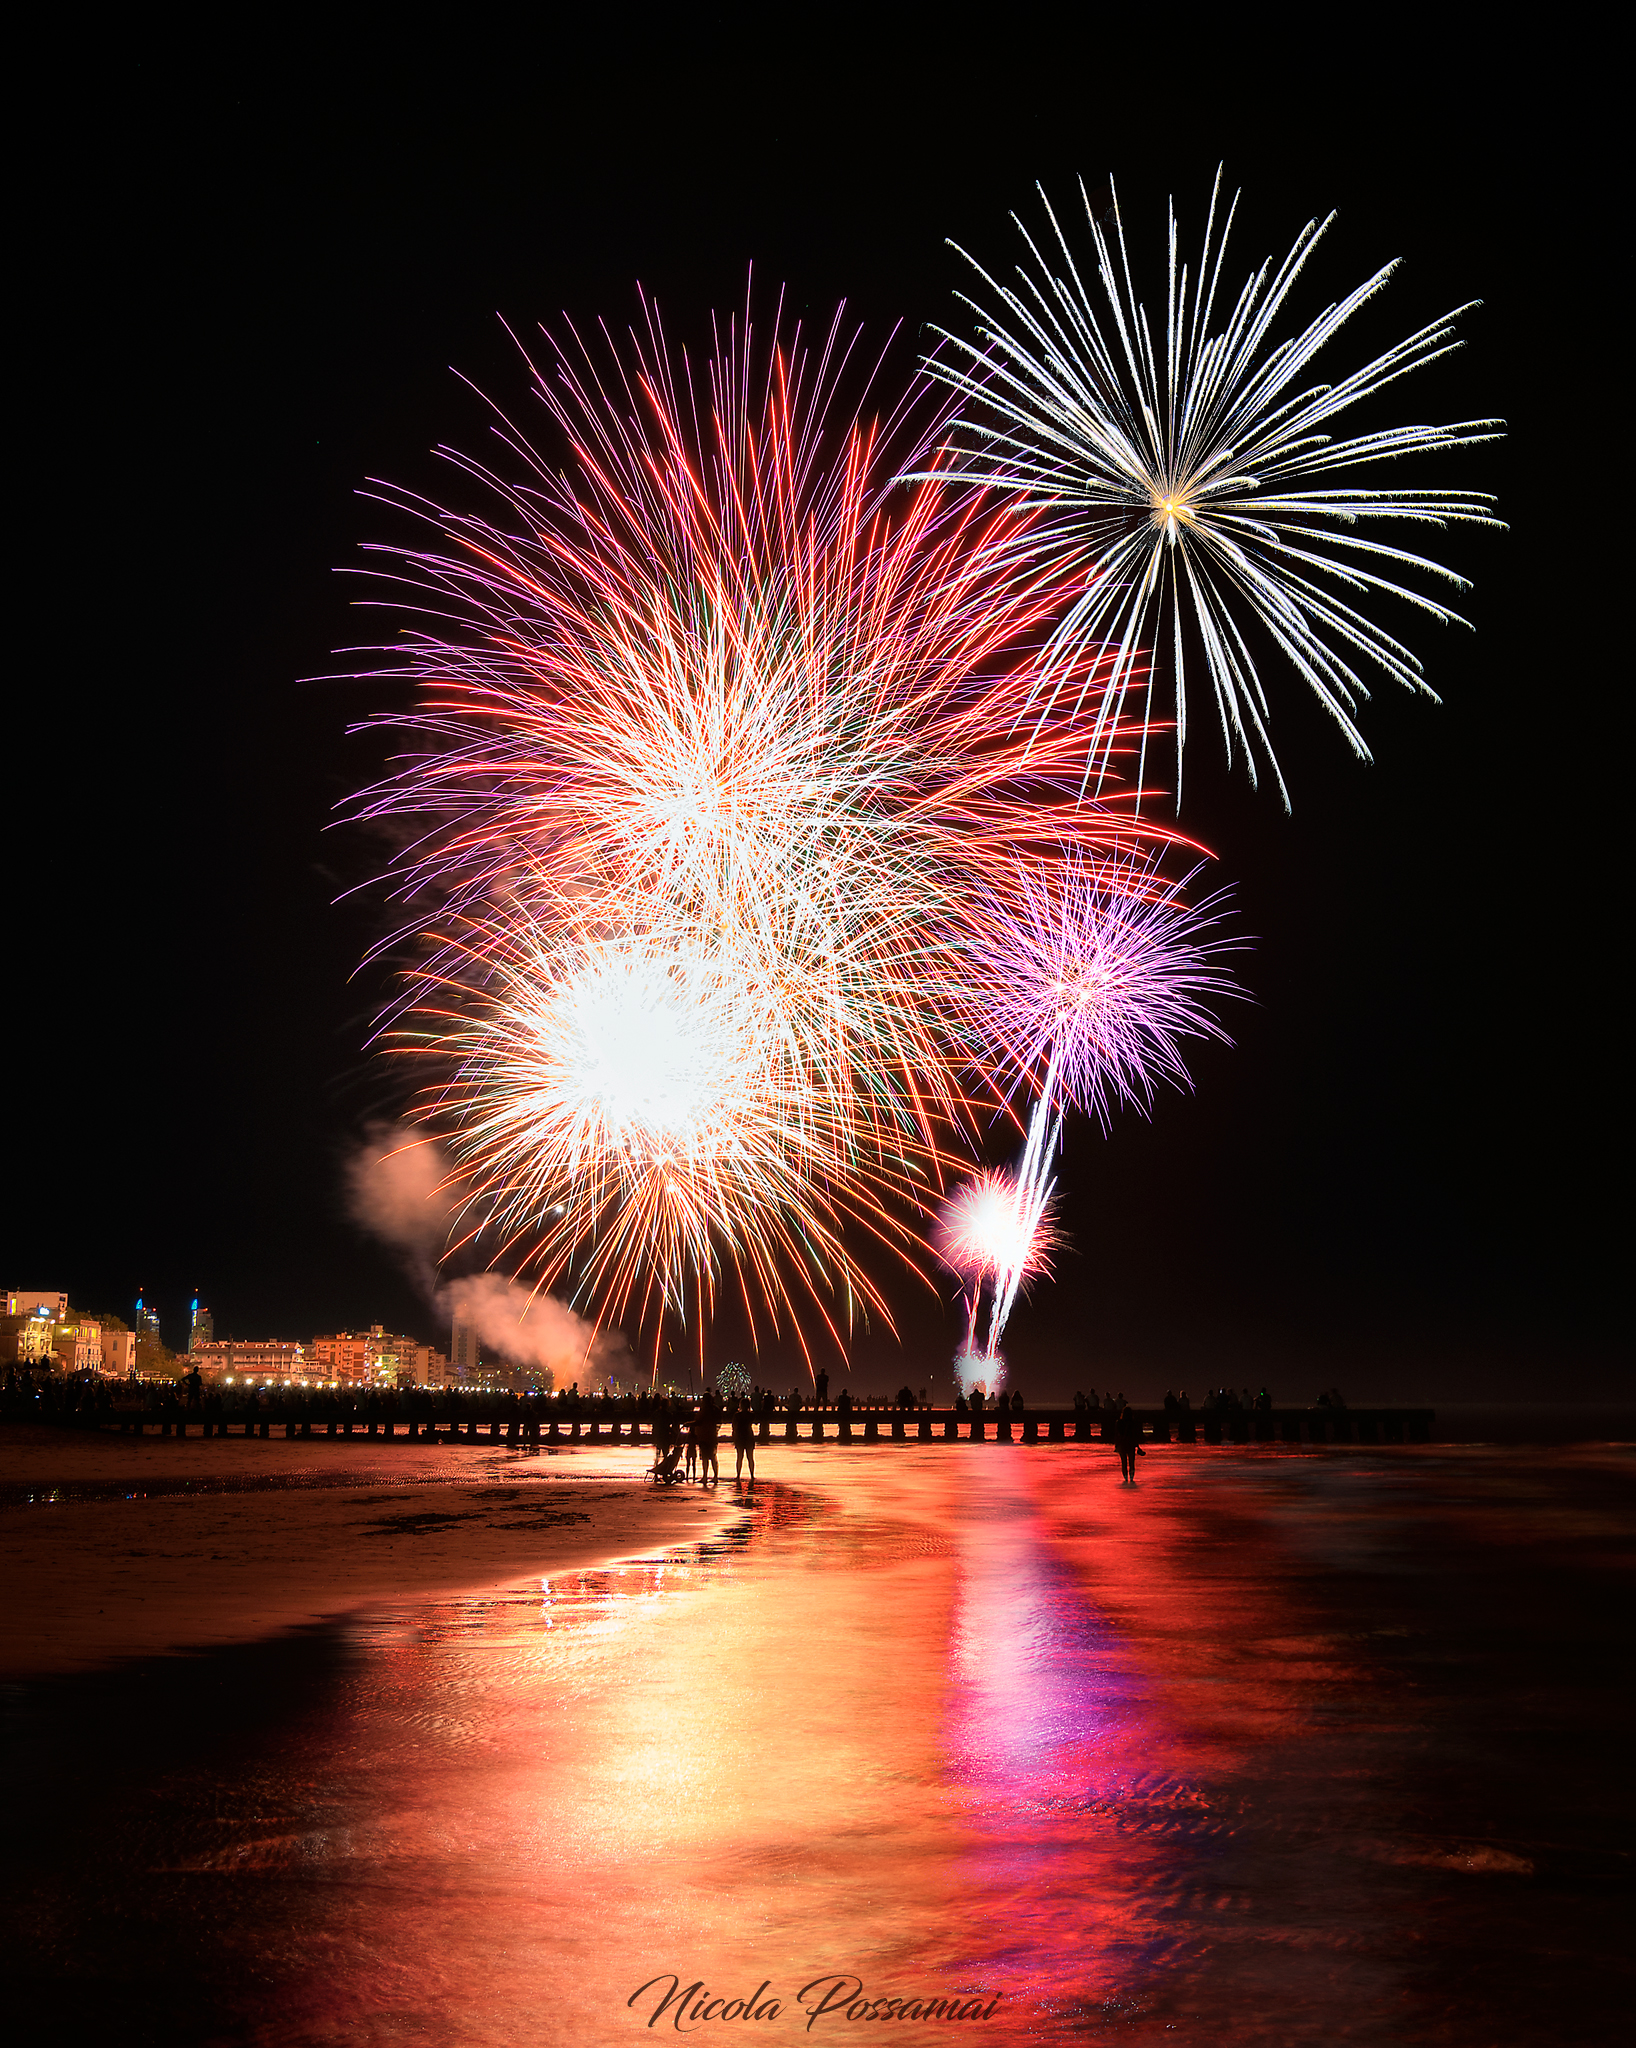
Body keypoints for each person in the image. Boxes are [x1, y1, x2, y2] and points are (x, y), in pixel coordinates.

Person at [1114, 1401, 1144, 1483]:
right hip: (1130, 1444)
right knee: (1131, 1462)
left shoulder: (1119, 1422)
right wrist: (1137, 1445)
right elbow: (1135, 1435)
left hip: (1122, 1444)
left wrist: (1116, 1445)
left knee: (1123, 1463)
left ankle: (1125, 1478)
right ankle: (1131, 1478)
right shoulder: (1132, 1423)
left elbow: (1117, 1435)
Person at [732, 1398, 756, 1483]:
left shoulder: (737, 1415)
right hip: (749, 1436)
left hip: (740, 1436)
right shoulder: (751, 1415)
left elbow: (734, 1427)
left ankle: (738, 1475)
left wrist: (734, 1437)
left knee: (739, 1457)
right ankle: (752, 1475)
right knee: (750, 1457)